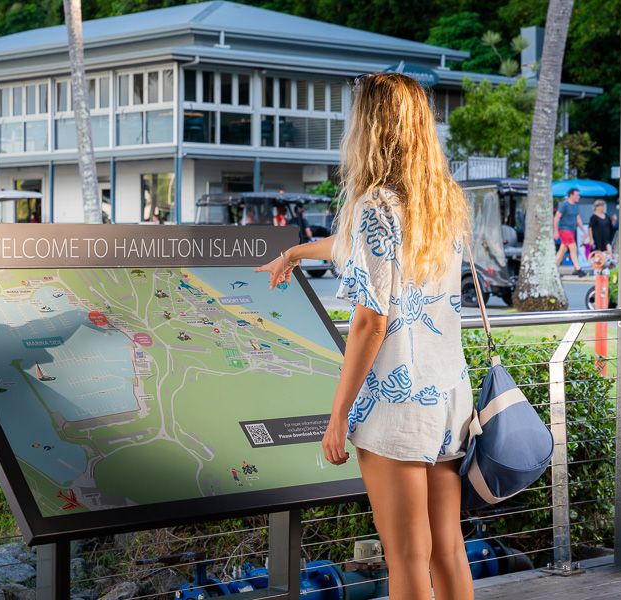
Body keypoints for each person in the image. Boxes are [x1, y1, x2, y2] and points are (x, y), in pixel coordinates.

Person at [256, 73, 474, 600]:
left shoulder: (376, 204)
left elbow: (369, 320)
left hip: (396, 406)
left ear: (370, 126)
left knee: (405, 559)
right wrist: (294, 253)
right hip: (447, 398)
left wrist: (338, 414)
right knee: (447, 551)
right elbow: (357, 247)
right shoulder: (438, 200)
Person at [553, 188, 586, 276]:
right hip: (564, 229)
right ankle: (578, 269)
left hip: (571, 230)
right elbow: (556, 218)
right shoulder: (564, 205)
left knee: (562, 250)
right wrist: (555, 231)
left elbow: (578, 219)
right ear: (571, 195)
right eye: (577, 195)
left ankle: (553, 269)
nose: (579, 197)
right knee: (573, 247)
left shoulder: (575, 206)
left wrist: (583, 230)